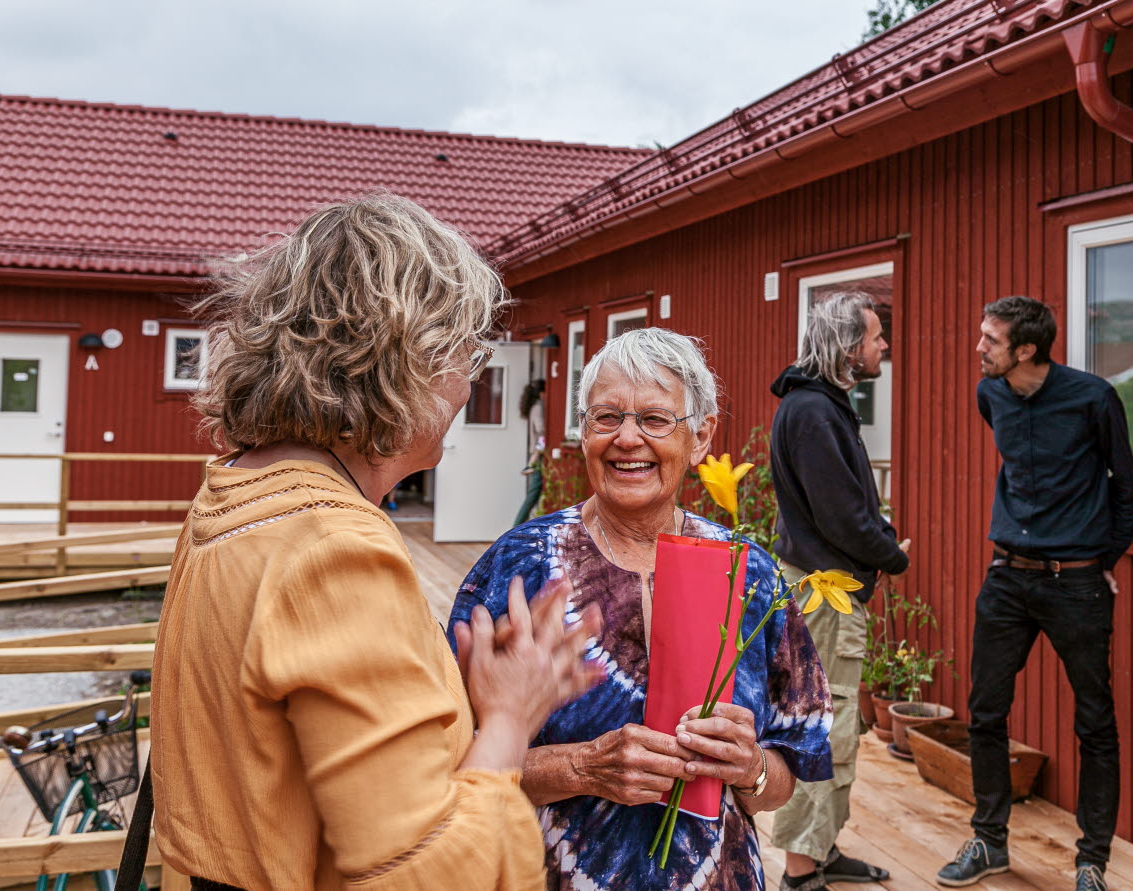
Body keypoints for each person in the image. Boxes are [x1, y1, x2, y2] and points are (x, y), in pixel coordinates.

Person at [151, 193, 599, 891]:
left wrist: (452, 691)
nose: (466, 382)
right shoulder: (334, 547)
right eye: (462, 350)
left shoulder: (236, 492)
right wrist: (512, 718)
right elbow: (425, 874)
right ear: (404, 356)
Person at [450, 327, 835, 891]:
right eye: (606, 418)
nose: (627, 439)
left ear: (702, 437)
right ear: (585, 433)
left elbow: (783, 777)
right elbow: (451, 760)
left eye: (655, 420)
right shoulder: (521, 566)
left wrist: (749, 766)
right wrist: (582, 767)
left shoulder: (748, 573)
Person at [937, 296, 1133, 891]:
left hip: (1076, 582)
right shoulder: (992, 393)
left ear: (1025, 349)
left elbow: (1126, 489)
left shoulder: (1093, 398)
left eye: (990, 340)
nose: (979, 348)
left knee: (1094, 723)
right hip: (1006, 576)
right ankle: (990, 841)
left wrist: (1103, 560)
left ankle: (1092, 863)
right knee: (986, 713)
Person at [768, 292, 911, 889]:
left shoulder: (822, 406)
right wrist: (892, 554)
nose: (884, 347)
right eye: (877, 337)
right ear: (849, 346)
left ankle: (821, 849)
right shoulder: (814, 412)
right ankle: (801, 871)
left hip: (831, 588)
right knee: (822, 728)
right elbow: (842, 516)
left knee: (840, 727)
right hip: (823, 594)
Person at [514, 378, 546, 526]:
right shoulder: (538, 407)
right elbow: (540, 429)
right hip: (538, 454)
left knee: (534, 494)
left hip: (537, 452)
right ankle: (515, 527)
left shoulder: (534, 406)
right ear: (541, 393)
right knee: (533, 494)